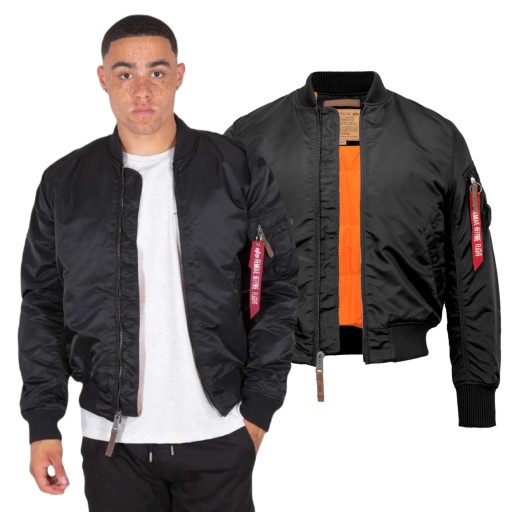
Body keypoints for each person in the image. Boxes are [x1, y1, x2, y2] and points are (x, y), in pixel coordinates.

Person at [17, 14, 299, 511]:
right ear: (103, 79)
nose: (142, 90)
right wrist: (43, 423)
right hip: (111, 443)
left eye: (157, 72)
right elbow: (42, 306)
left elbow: (277, 288)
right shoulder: (64, 182)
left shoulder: (237, 168)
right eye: (125, 73)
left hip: (219, 433)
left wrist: (258, 411)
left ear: (180, 75)